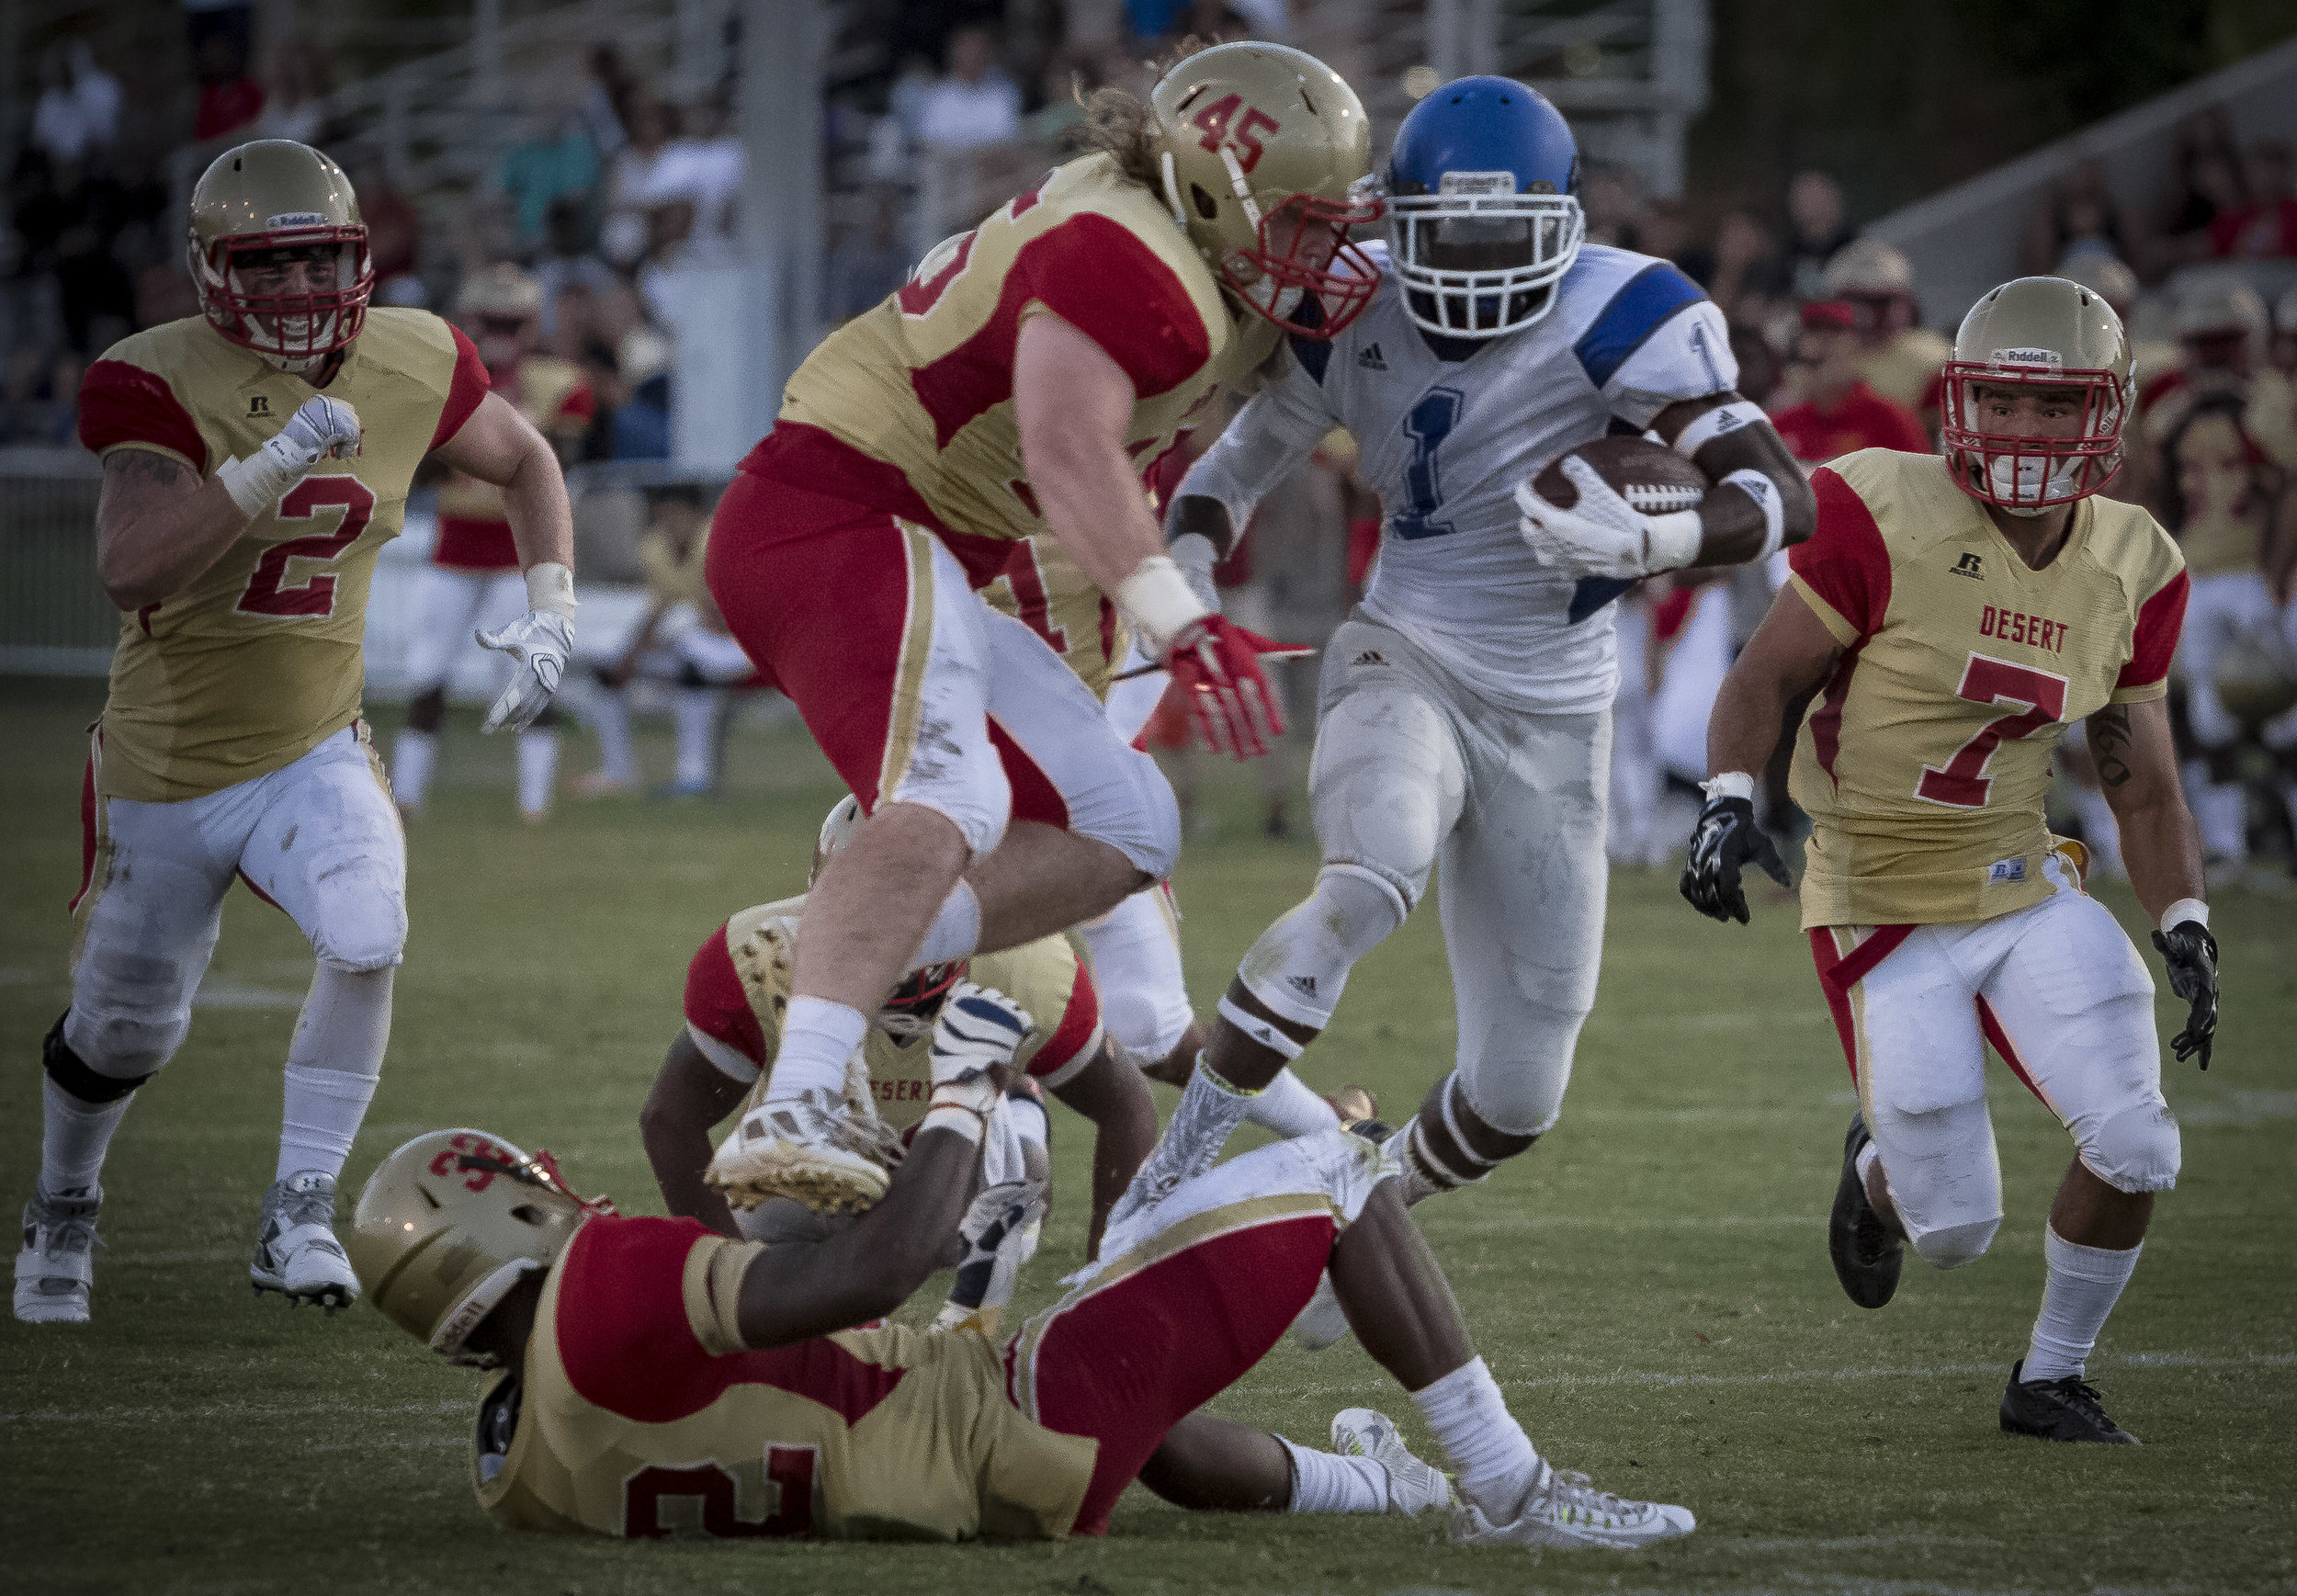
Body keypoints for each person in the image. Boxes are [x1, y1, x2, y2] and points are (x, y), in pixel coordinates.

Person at [1148, 76, 1813, 1344]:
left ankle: (1352, 1196)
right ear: (1397, 222)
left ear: (1562, 228)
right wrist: (1182, 567)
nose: (1469, 272)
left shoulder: (1628, 311)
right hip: (1408, 649)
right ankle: (1163, 1183)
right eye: (1445, 240)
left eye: (1505, 242)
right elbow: (1226, 477)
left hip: (1561, 715)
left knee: (1518, 1094)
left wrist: (1667, 527)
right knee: (1368, 876)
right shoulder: (1348, 313)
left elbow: (1786, 497)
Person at [700, 40, 1375, 1211]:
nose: (1321, 251)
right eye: (1302, 222)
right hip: (841, 512)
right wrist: (1179, 617)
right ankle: (800, 1091)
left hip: (930, 553)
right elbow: (1068, 446)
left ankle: (839, 959)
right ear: (1213, 195)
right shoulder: (1135, 261)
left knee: (1131, 818)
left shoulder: (1172, 235)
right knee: (950, 800)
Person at [15, 140, 577, 1324]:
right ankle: (65, 1199)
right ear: (215, 273)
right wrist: (268, 462)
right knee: (125, 1029)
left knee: (369, 932)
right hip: (164, 767)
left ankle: (298, 1212)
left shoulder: (417, 352)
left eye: (321, 258)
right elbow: (128, 571)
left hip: (312, 746)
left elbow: (525, 461)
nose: (299, 290)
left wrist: (552, 609)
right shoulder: (151, 373)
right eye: (269, 269)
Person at [1679, 276, 2218, 1443]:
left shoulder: (2137, 560)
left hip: (2021, 883)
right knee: (1953, 1230)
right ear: (1958, 403)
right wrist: (1727, 801)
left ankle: (2051, 1376)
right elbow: (1763, 681)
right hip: (1877, 899)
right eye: (2002, 403)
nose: (2023, 432)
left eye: (2053, 406)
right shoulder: (1879, 506)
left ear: (2106, 415)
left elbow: (2141, 775)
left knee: (2135, 1141)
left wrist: (2185, 915)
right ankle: (1874, 1170)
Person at [346, 1106, 1695, 1545]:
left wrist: (971, 1276)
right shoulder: (606, 1287)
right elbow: (875, 1276)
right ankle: (1512, 1485)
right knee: (1340, 1160)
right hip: (1018, 1417)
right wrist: (965, 1090)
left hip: (987, 1463)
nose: (559, 1197)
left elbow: (818, 1379)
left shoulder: (516, 1472)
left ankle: (1378, 1490)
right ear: (505, 1224)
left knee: (1143, 1398)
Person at [645, 797, 1157, 1254]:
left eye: (911, 908)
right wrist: (719, 1268)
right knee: (775, 1223)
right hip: (819, 1140)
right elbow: (669, 1118)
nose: (885, 934)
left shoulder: (1031, 968)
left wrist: (1105, 1273)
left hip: (949, 1151)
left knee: (992, 1237)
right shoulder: (758, 958)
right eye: (862, 904)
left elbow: (1126, 1105)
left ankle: (1019, 1116)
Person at [392, 264, 593, 821]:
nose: (503, 334)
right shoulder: (439, 382)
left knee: (533, 676)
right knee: (427, 676)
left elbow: (560, 467)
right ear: (470, 321)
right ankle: (407, 798)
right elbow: (419, 474)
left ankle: (534, 804)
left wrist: (519, 428)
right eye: (493, 321)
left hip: (520, 550)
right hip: (453, 548)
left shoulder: (556, 383)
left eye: (514, 321)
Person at [576, 485, 754, 799]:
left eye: (676, 517)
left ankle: (693, 775)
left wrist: (676, 632)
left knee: (690, 654)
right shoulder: (654, 548)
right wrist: (632, 652)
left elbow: (724, 612)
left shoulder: (716, 540)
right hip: (697, 642)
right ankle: (618, 771)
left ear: (696, 517)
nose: (669, 525)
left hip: (739, 644)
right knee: (609, 670)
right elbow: (660, 605)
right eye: (662, 518)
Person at [1771, 300, 1931, 465]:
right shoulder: (1782, 424)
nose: (1823, 343)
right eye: (1813, 331)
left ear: (1855, 345)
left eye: (1834, 332)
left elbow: (1919, 483)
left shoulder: (1889, 419)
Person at [1822, 239, 1952, 415]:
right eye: (1856, 301)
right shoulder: (1822, 358)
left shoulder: (1930, 355)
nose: (1865, 313)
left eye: (1882, 302)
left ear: (1906, 303)